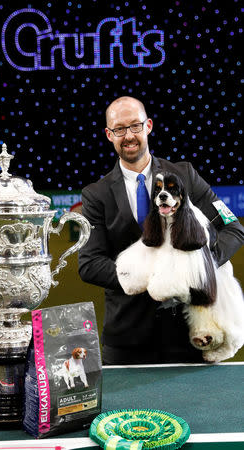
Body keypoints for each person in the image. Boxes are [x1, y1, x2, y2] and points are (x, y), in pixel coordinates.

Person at [78, 96, 244, 365]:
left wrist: (199, 268)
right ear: (109, 135)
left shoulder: (186, 175)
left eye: (135, 126)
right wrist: (150, 277)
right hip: (126, 344)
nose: (128, 135)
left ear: (149, 126)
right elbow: (89, 264)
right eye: (119, 129)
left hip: (190, 339)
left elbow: (233, 228)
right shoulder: (96, 195)